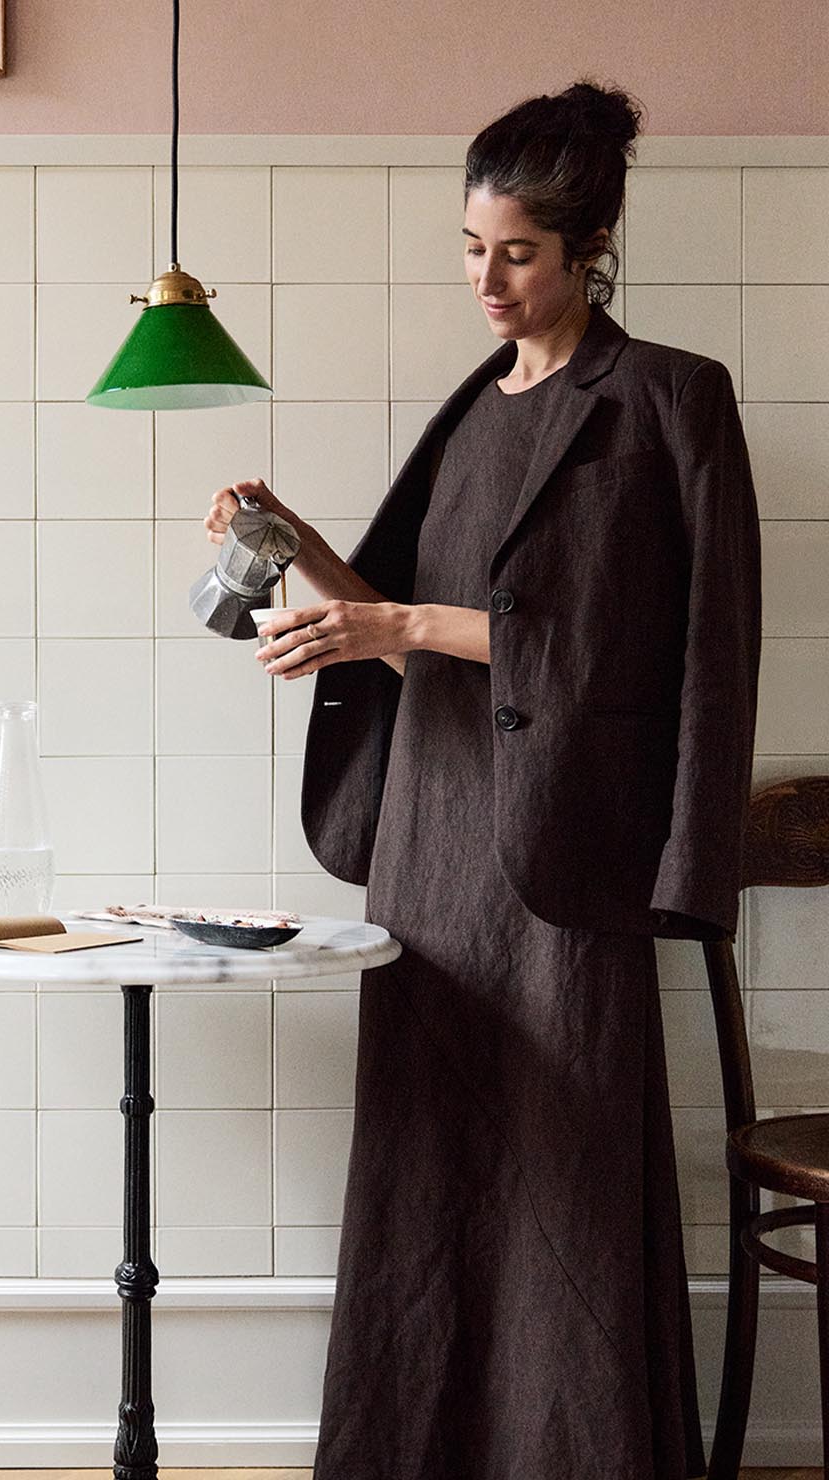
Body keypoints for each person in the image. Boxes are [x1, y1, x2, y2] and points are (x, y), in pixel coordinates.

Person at [205, 80, 761, 1478]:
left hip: (569, 863)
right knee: (429, 1174)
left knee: (571, 1187)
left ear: (589, 244)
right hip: (433, 846)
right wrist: (305, 550)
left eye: (517, 251)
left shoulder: (667, 401)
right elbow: (424, 637)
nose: (488, 279)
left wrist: (396, 623)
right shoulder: (467, 417)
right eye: (471, 248)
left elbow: (642, 658)